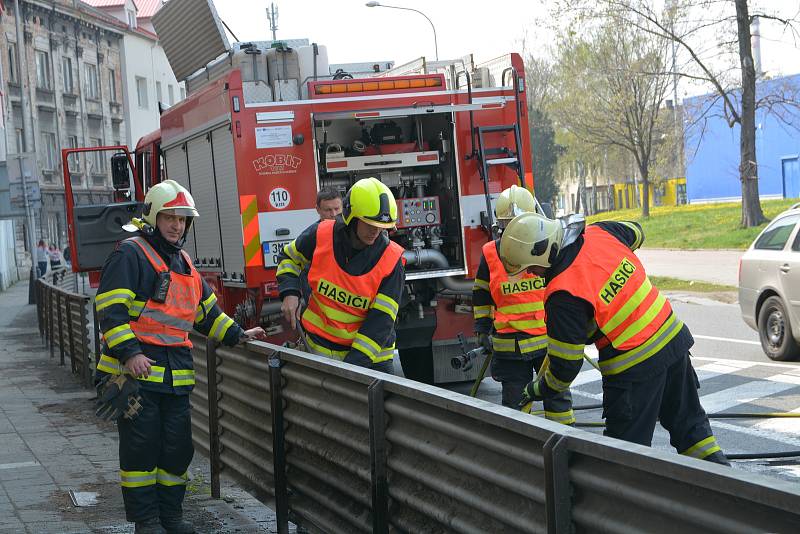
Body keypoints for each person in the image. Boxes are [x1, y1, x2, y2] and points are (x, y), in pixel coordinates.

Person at [94, 179, 265, 533]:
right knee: (141, 454)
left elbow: (207, 314)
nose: (177, 225)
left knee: (176, 451)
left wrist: (237, 334)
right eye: (170, 217)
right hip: (135, 378)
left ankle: (171, 517)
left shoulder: (184, 262)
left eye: (183, 219)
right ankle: (147, 522)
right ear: (153, 218)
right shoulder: (130, 253)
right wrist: (130, 354)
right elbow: (110, 311)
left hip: (175, 378)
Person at [499, 213, 729, 465]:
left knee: (623, 456)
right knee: (691, 429)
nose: (532, 274)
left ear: (543, 253)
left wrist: (537, 389)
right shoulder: (601, 233)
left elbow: (565, 368)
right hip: (673, 343)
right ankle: (727, 489)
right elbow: (636, 232)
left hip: (634, 369)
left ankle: (624, 504)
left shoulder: (563, 294)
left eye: (532, 268)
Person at [277, 177, 404, 374]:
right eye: (369, 224)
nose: (375, 231)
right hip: (319, 349)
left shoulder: (391, 260)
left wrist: (350, 369)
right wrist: (289, 292)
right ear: (352, 217)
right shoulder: (321, 233)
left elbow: (380, 322)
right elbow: (289, 257)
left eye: (381, 226)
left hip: (370, 361)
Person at [472, 186, 574, 424]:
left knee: (557, 400)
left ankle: (567, 450)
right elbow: (481, 293)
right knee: (516, 406)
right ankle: (523, 455)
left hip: (547, 344)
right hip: (511, 348)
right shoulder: (490, 254)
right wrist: (482, 328)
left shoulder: (547, 249)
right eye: (509, 227)